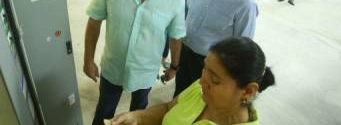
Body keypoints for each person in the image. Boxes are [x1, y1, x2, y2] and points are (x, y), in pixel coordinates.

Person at [83, 0, 186, 125]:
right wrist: (88, 59)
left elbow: (175, 36)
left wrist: (174, 67)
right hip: (113, 68)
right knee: (104, 110)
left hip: (145, 72)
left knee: (139, 114)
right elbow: (94, 22)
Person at [109, 37, 276, 125]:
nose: (202, 81)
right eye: (205, 69)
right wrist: (137, 117)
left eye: (215, 80)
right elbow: (169, 108)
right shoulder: (202, 89)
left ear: (247, 91)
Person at [174, 0, 258, 97]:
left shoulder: (245, 4)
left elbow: (242, 48)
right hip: (184, 54)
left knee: (201, 103)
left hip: (212, 66)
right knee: (179, 96)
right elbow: (184, 15)